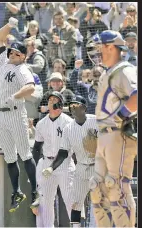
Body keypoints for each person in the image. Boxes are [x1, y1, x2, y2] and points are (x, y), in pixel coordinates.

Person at [89, 30, 137, 227]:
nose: (97, 51)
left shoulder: (125, 70)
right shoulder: (107, 73)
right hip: (104, 136)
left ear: (111, 47)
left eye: (101, 47)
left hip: (118, 134)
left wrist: (120, 116)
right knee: (97, 190)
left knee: (117, 187)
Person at [0, 17, 39, 212]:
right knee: (10, 157)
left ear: (23, 57)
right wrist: (10, 25)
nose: (12, 54)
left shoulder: (22, 69)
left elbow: (30, 87)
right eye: (12, 51)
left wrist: (16, 96)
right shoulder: (3, 62)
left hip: (15, 113)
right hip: (1, 115)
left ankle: (36, 191)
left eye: (17, 53)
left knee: (25, 154)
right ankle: (17, 191)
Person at [42, 95, 98, 227]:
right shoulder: (68, 129)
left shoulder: (96, 121)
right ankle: (76, 227)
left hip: (98, 166)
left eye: (76, 105)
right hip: (81, 167)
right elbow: (63, 153)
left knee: (100, 201)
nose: (73, 108)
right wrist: (51, 167)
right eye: (71, 105)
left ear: (84, 107)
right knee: (76, 202)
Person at [31, 91, 75, 227]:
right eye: (50, 99)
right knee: (45, 202)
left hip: (65, 165)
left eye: (55, 99)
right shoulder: (41, 123)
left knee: (70, 200)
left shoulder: (69, 122)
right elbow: (37, 148)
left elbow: (66, 152)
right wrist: (33, 168)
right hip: (47, 162)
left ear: (61, 104)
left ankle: (78, 225)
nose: (52, 101)